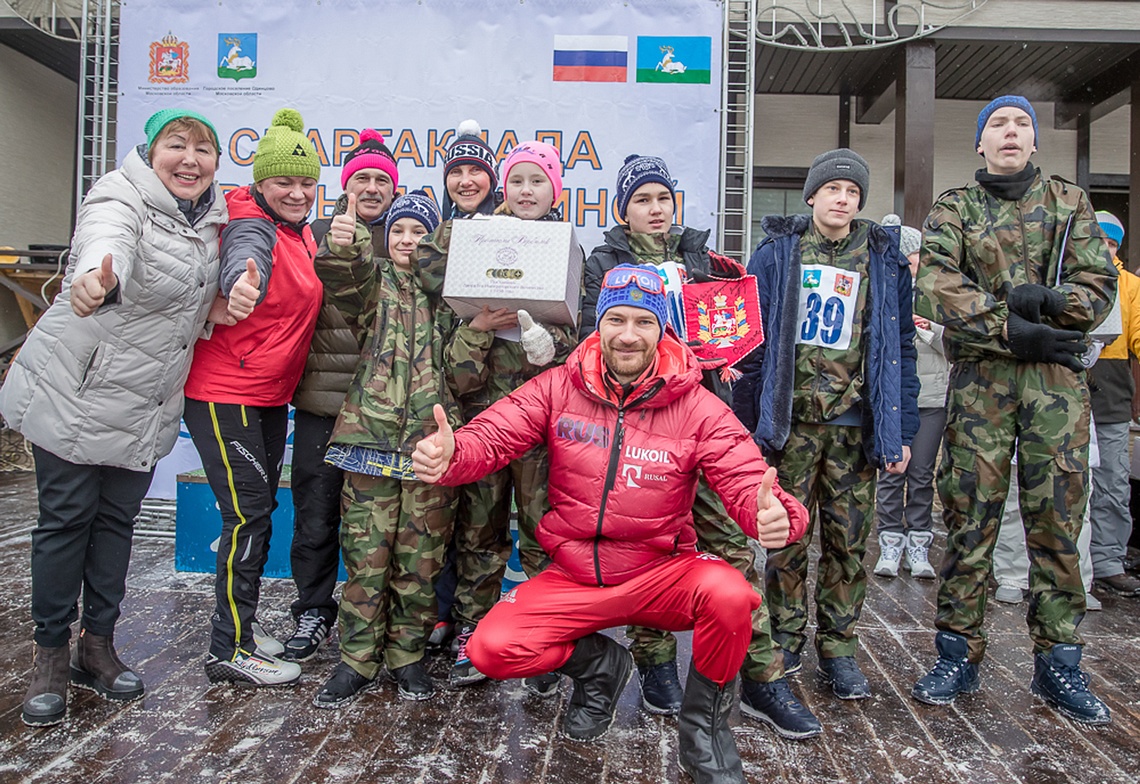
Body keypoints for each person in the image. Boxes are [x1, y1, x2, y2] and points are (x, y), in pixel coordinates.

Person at [411, 264, 809, 783]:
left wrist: (773, 515)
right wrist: (453, 452)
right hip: (575, 574)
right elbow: (493, 435)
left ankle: (705, 729)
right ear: (598, 324)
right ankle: (602, 667)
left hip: (658, 572)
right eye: (615, 319)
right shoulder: (557, 387)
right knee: (492, 648)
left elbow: (746, 478)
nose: (627, 334)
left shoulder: (697, 406)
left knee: (732, 595)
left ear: (661, 329)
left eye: (643, 322)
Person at [0, 108, 228, 726]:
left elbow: (186, 297)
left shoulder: (212, 219)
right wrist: (92, 282)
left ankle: (96, 648)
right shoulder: (119, 195)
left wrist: (218, 307)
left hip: (143, 401)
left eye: (203, 149)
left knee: (116, 524)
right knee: (66, 520)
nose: (190, 159)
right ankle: (49, 655)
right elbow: (108, 244)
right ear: (151, 152)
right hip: (79, 388)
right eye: (176, 145)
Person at [581, 154, 821, 738]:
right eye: (642, 199)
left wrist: (726, 355)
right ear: (623, 209)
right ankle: (655, 663)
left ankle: (761, 676)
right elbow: (597, 334)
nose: (655, 209)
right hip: (633, 424)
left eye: (663, 198)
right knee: (644, 547)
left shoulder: (702, 257)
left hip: (699, 416)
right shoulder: (603, 261)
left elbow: (729, 324)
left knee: (732, 552)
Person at [911, 95, 1117, 725]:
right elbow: (937, 284)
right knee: (970, 520)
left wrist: (1053, 301)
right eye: (997, 125)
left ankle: (1060, 662)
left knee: (1056, 525)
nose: (1009, 133)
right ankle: (957, 652)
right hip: (981, 390)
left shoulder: (1069, 201)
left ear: (1034, 141)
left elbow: (1098, 288)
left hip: (1056, 391)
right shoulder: (956, 206)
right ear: (980, 142)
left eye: (1021, 124)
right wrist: (1010, 328)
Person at [733, 148, 920, 702]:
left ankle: (839, 648)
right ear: (812, 195)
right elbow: (749, 345)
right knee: (787, 538)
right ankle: (788, 638)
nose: (843, 199)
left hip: (853, 428)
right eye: (833, 189)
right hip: (790, 425)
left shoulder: (882, 259)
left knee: (847, 542)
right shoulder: (776, 255)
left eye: (854, 192)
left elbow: (900, 347)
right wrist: (749, 430)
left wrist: (901, 428)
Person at [419, 140, 578, 688]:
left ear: (553, 189)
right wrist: (482, 331)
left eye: (538, 182)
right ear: (502, 189)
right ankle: (475, 633)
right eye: (517, 182)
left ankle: (544, 639)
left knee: (544, 534)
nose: (526, 191)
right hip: (486, 422)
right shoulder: (477, 241)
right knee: (477, 534)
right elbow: (457, 367)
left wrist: (547, 338)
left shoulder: (564, 247)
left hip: (544, 429)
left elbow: (579, 341)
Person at [183, 108, 324, 687]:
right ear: (260, 183)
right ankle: (229, 650)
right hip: (225, 394)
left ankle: (239, 626)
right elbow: (248, 256)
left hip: (266, 396)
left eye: (306, 182)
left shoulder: (300, 228)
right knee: (248, 517)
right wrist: (240, 283)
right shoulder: (252, 222)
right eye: (282, 182)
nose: (296, 192)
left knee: (256, 515)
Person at [308, 189, 462, 705]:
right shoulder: (375, 287)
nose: (407, 239)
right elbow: (345, 279)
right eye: (398, 230)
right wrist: (344, 247)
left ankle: (408, 657)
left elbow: (463, 366)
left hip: (430, 448)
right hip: (369, 443)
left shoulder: (450, 298)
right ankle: (356, 659)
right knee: (366, 556)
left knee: (420, 559)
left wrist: (479, 324)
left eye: (420, 232)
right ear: (385, 236)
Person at [282, 129, 401, 662]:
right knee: (316, 512)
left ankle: (374, 618)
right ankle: (311, 610)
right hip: (323, 404)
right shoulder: (315, 236)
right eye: (362, 180)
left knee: (377, 525)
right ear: (345, 186)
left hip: (385, 413)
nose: (371, 189)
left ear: (394, 191)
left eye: (381, 180)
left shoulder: (409, 242)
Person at [872, 214, 947, 580]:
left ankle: (919, 544)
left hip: (931, 398)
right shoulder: (884, 288)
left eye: (917, 254)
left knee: (920, 473)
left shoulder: (938, 291)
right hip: (892, 398)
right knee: (890, 471)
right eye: (911, 254)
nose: (914, 261)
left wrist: (929, 330)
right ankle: (889, 542)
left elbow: (958, 344)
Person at [1087, 211, 1140, 598]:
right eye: (1099, 241)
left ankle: (1107, 560)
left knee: (1113, 480)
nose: (1105, 249)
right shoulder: (1070, 278)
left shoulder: (1131, 286)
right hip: (1068, 383)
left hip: (1114, 388)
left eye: (1111, 243)